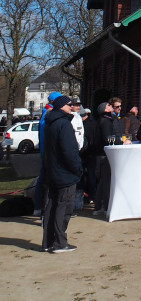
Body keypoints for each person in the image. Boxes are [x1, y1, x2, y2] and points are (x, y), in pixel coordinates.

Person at [41, 95, 84, 253]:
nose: (71, 106)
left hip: (53, 170)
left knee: (51, 206)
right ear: (61, 107)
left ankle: (48, 242)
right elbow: (69, 150)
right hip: (64, 172)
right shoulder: (63, 124)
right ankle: (60, 243)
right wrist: (77, 168)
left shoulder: (49, 123)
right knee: (63, 207)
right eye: (69, 104)